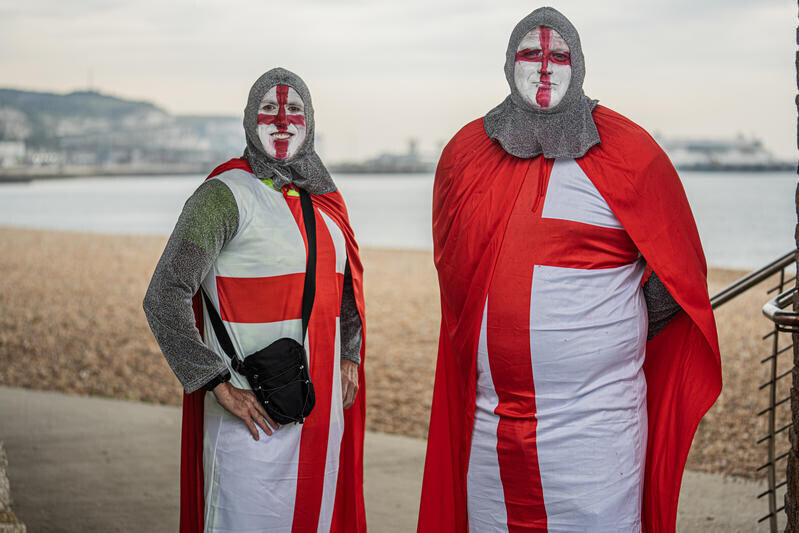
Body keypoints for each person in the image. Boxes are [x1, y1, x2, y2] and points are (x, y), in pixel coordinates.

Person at [417, 7, 721, 532]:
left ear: (578, 65)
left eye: (557, 55)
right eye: (530, 54)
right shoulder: (466, 155)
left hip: (597, 430)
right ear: (508, 63)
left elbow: (677, 278)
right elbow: (458, 276)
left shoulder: (632, 154)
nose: (542, 68)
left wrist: (607, 332)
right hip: (490, 424)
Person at [143, 68, 367, 533]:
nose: (283, 120)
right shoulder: (222, 197)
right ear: (249, 119)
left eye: (295, 110)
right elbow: (164, 296)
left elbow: (344, 287)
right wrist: (217, 383)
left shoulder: (323, 202)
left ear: (311, 122)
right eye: (270, 109)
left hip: (321, 419)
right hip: (251, 420)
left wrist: (349, 352)